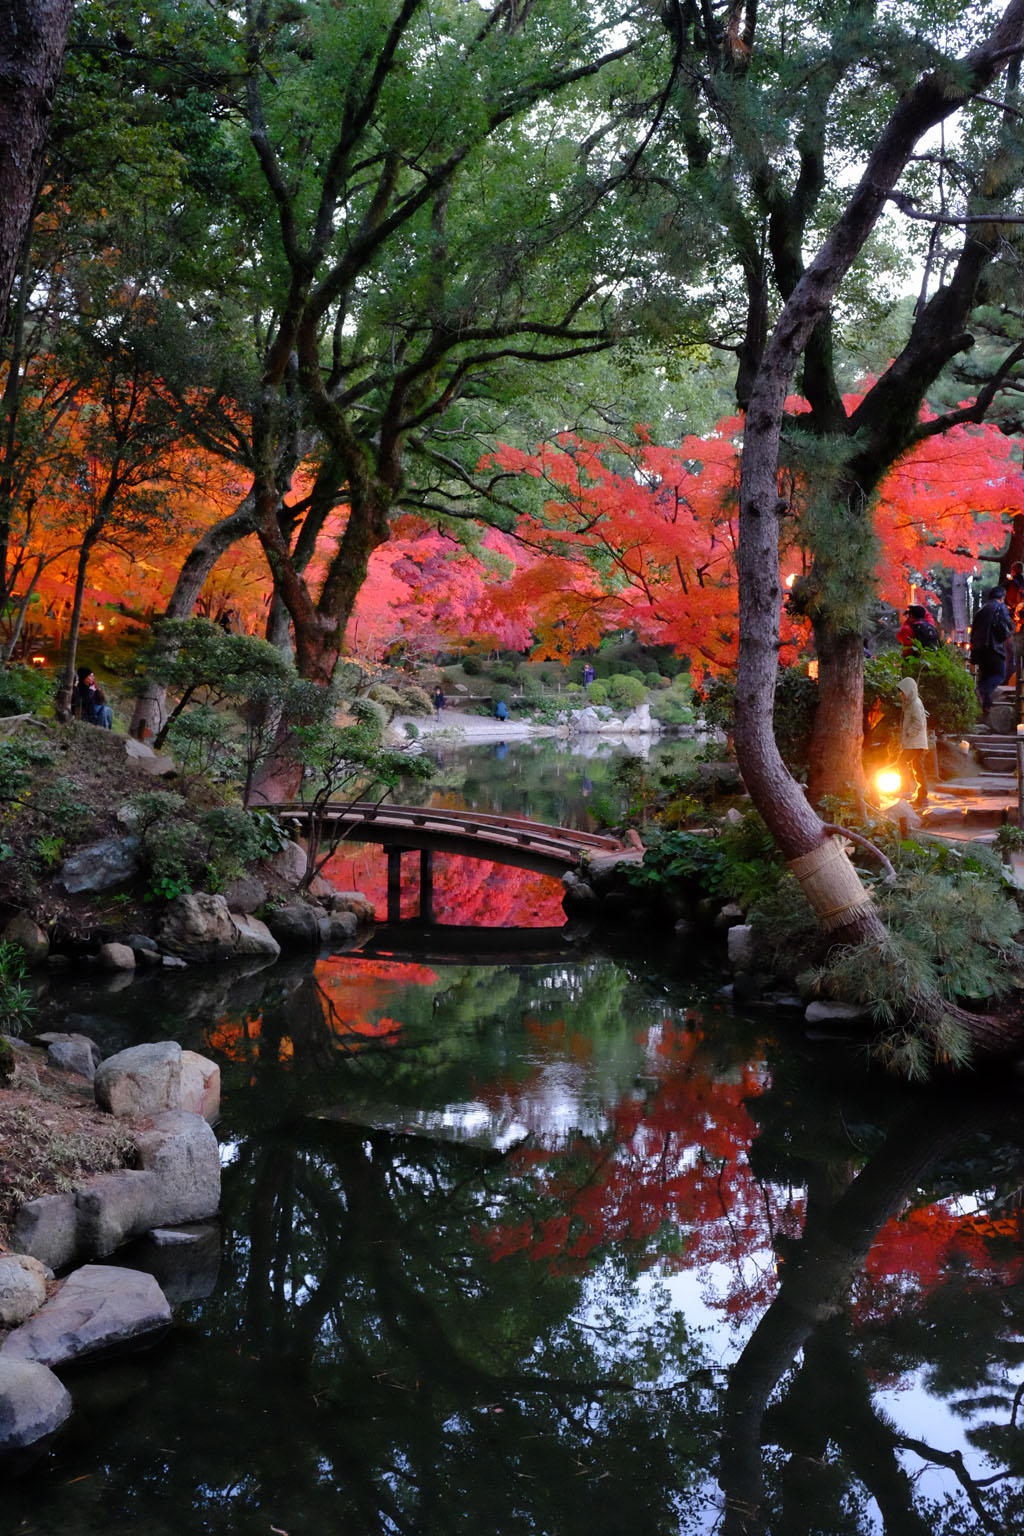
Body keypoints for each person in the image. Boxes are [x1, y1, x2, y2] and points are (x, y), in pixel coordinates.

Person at [969, 585, 1014, 713]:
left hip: (980, 649)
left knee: (986, 676)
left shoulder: (981, 610)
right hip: (994, 647)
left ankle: (986, 708)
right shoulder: (1000, 606)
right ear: (1002, 597)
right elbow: (1008, 624)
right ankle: (981, 690)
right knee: (1000, 674)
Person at [897, 676, 929, 809]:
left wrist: (909, 733)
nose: (901, 695)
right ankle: (921, 796)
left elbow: (919, 724)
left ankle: (907, 790)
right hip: (915, 742)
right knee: (918, 768)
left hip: (915, 743)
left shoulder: (915, 704)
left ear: (909, 691)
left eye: (902, 692)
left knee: (901, 762)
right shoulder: (911, 703)